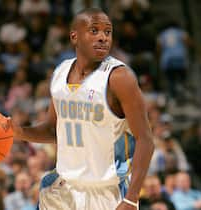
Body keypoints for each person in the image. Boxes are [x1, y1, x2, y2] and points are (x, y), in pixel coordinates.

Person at [10, 8, 154, 210]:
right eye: (94, 30)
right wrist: (20, 132)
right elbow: (53, 130)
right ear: (74, 37)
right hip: (62, 190)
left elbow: (145, 139)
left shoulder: (119, 78)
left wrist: (132, 198)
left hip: (107, 192)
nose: (103, 37)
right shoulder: (60, 72)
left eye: (107, 32)